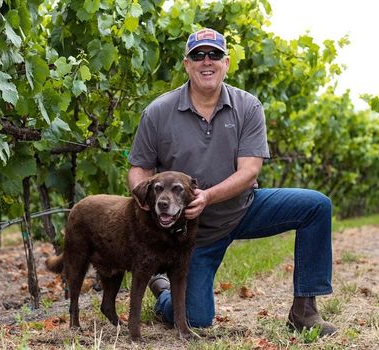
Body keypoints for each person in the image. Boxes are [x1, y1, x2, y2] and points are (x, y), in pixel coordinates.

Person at [127, 28, 337, 336]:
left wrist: (208, 197)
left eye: (214, 55)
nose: (206, 61)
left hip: (244, 209)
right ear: (187, 64)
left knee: (316, 206)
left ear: (226, 63)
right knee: (197, 319)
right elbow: (139, 168)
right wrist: (146, 203)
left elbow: (250, 170)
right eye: (198, 56)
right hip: (191, 233)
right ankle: (163, 294)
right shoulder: (158, 112)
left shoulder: (247, 106)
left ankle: (304, 311)